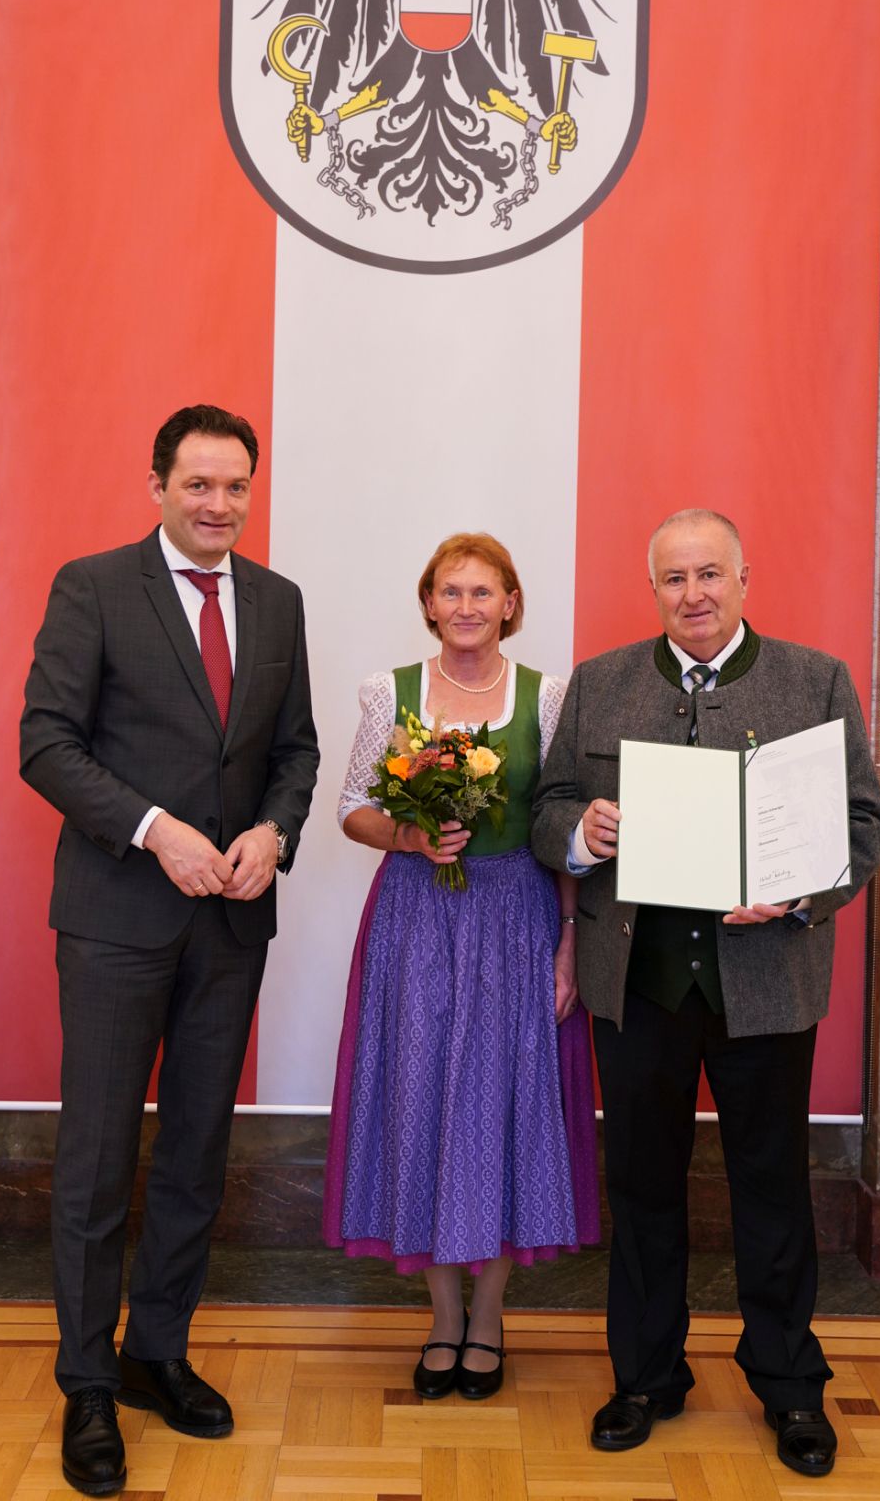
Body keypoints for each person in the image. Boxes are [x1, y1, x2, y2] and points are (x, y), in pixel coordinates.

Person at [531, 509, 880, 1475]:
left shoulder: (814, 681)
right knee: (641, 1185)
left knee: (770, 1187)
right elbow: (546, 807)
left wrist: (803, 886)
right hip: (639, 986)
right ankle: (645, 1377)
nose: (693, 594)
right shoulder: (601, 683)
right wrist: (581, 830)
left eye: (710, 575)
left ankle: (789, 1386)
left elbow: (863, 824)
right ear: (653, 590)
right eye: (674, 579)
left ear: (744, 580)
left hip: (766, 983)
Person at [20, 404, 319, 1496]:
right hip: (115, 917)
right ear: (156, 484)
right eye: (197, 483)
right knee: (99, 1158)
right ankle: (88, 1381)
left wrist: (272, 831)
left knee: (195, 1150)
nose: (218, 503)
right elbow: (44, 742)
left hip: (232, 919)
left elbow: (298, 747)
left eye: (235, 484)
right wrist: (156, 828)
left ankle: (157, 1350)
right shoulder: (93, 586)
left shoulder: (278, 600)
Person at [323, 532, 599, 1401]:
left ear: (511, 602)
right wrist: (409, 833)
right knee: (419, 1102)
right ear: (430, 603)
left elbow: (558, 828)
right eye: (452, 592)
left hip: (515, 916)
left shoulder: (547, 697)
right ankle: (442, 1316)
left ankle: (490, 1313)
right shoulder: (389, 692)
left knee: (502, 1108)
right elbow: (351, 808)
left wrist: (567, 941)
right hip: (415, 916)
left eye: (486, 592)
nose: (468, 607)